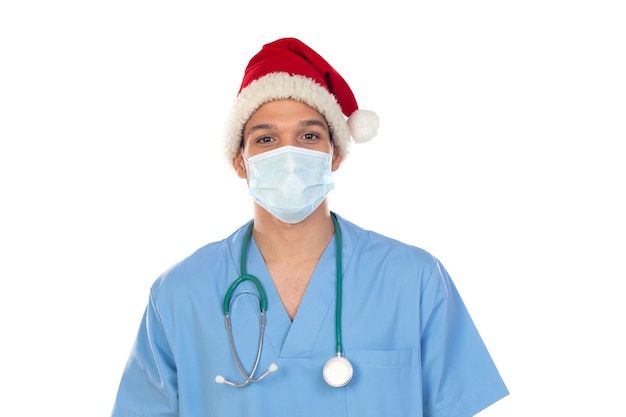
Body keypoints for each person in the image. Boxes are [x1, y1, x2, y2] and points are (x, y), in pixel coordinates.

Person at [110, 37, 509, 417]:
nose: (289, 155)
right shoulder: (181, 294)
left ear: (334, 155)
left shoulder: (413, 279)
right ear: (239, 162)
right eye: (266, 139)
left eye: (308, 135)